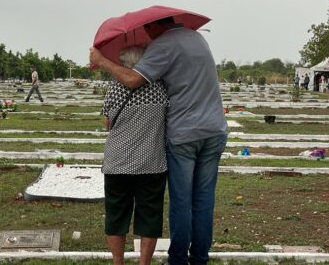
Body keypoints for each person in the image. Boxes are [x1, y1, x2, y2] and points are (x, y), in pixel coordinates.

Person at [90, 16, 228, 265]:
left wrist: (101, 61)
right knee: (204, 199)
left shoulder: (163, 45)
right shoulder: (198, 39)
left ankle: (177, 259)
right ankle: (199, 258)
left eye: (147, 30)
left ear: (155, 26)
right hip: (215, 130)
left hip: (185, 134)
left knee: (182, 201)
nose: (147, 35)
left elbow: (133, 79)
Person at [102, 46, 169, 265]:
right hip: (151, 163)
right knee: (149, 217)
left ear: (124, 64)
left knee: (116, 216)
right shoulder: (160, 88)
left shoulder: (114, 88)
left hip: (117, 163)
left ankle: (118, 262)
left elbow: (107, 124)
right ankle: (144, 263)